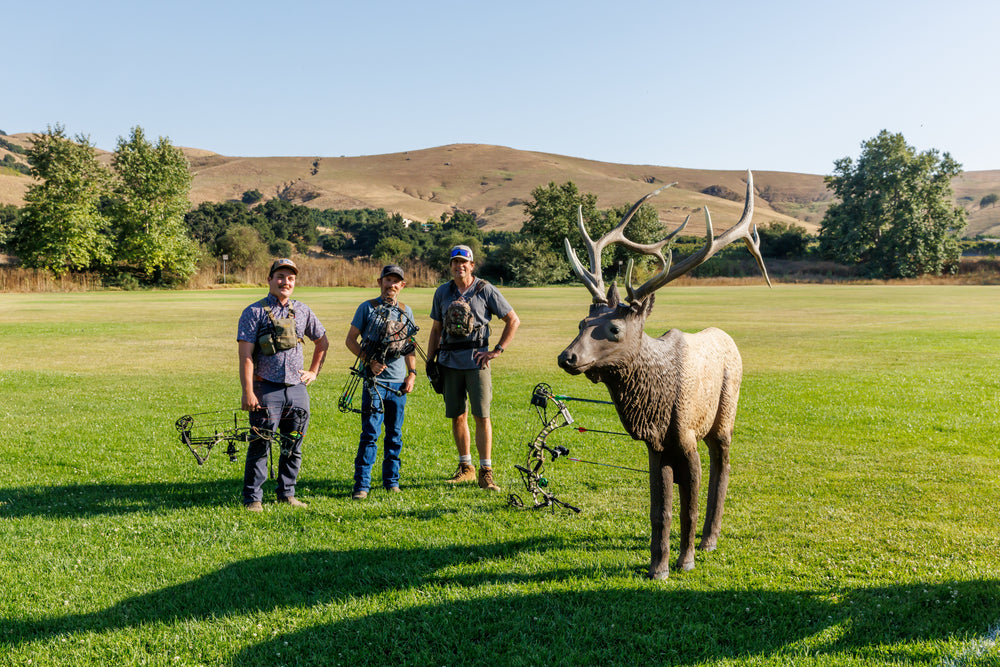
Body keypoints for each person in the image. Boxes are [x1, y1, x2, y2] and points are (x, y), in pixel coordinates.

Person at [237, 258, 329, 511]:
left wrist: (313, 372)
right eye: (280, 276)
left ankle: (287, 493)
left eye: (290, 278)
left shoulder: (303, 310)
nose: (285, 282)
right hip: (265, 389)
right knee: (260, 444)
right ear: (269, 279)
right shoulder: (253, 312)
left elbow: (322, 341)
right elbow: (245, 355)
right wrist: (248, 392)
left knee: (293, 444)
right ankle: (253, 498)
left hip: (297, 390)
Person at [427, 244, 520, 492]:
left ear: (472, 265)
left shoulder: (485, 290)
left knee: (481, 415)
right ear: (451, 266)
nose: (459, 266)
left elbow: (513, 320)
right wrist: (430, 360)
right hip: (448, 361)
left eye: (463, 262)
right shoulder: (442, 292)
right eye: (455, 262)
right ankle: (465, 468)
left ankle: (486, 472)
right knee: (457, 415)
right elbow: (436, 329)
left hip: (477, 361)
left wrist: (497, 350)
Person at [345, 265, 418, 500]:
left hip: (398, 385)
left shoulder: (407, 311)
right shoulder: (367, 308)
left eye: (396, 281)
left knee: (395, 434)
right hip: (373, 382)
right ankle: (362, 486)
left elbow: (410, 347)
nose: (391, 285)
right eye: (388, 280)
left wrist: (412, 374)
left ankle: (391, 482)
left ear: (402, 286)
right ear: (380, 282)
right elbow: (350, 340)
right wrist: (370, 361)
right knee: (370, 434)